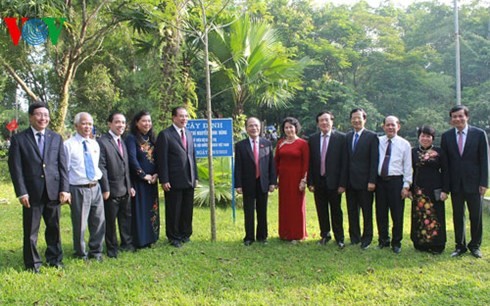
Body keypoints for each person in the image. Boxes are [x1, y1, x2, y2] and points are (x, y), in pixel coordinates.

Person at [8, 102, 70, 273]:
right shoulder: (19, 139)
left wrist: (65, 189)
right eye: (39, 114)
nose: (43, 118)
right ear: (30, 117)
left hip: (53, 192)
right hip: (32, 193)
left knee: (54, 228)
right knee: (30, 231)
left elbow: (63, 166)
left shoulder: (56, 138)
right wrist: (21, 192)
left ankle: (55, 259)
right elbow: (16, 169)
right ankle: (33, 264)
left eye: (46, 115)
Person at [441, 105, 489, 258]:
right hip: (456, 184)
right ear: (451, 119)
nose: (457, 119)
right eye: (454, 117)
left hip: (474, 183)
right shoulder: (446, 136)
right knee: (458, 215)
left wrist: (484, 183)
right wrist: (446, 187)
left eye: (460, 116)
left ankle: (475, 246)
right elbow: (445, 164)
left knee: (475, 215)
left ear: (467, 117)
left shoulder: (479, 134)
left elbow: (484, 160)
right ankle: (460, 245)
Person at [64, 112, 106, 261]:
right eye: (84, 123)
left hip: (95, 186)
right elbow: (65, 169)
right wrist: (66, 191)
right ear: (76, 126)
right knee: (80, 222)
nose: (87, 126)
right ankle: (80, 253)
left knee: (98, 220)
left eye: (90, 124)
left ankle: (96, 251)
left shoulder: (94, 144)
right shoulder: (68, 145)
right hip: (78, 188)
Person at [155, 106, 198, 248]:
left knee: (187, 209)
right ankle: (174, 236)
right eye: (181, 116)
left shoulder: (189, 134)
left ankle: (185, 234)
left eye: (186, 116)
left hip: (189, 178)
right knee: (174, 209)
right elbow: (162, 159)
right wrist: (164, 179)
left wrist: (195, 176)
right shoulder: (165, 135)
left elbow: (192, 156)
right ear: (174, 117)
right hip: (173, 180)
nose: (184, 119)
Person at [98, 112, 135, 258]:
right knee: (110, 222)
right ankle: (112, 248)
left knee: (126, 218)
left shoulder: (123, 141)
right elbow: (102, 166)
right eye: (117, 122)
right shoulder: (102, 141)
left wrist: (130, 186)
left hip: (125, 188)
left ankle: (126, 243)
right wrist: (105, 188)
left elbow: (126, 167)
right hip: (111, 190)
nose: (121, 125)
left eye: (123, 122)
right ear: (110, 124)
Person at [235, 117, 277, 246]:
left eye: (256, 126)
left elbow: (271, 165)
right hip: (248, 183)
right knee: (248, 211)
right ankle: (249, 237)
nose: (254, 128)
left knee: (262, 211)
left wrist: (272, 182)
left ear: (260, 128)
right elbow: (238, 167)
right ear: (247, 128)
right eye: (251, 126)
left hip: (263, 182)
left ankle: (262, 236)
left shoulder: (267, 144)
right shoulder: (241, 145)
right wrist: (238, 185)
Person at [307, 111, 347, 248]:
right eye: (321, 121)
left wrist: (343, 183)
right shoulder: (312, 139)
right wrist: (310, 182)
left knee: (336, 210)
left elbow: (344, 163)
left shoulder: (341, 138)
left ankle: (339, 237)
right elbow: (310, 163)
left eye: (326, 120)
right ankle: (325, 235)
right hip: (318, 181)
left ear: (332, 121)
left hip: (335, 183)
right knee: (321, 209)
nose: (324, 123)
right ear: (318, 123)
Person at [375, 115, 412, 254]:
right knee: (380, 212)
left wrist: (406, 186)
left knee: (397, 214)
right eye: (387, 125)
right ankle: (383, 240)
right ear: (383, 126)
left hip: (396, 182)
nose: (390, 127)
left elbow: (407, 167)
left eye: (393, 125)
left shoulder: (404, 144)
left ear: (398, 127)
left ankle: (396, 242)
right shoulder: (377, 141)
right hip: (380, 182)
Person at [125, 111, 160, 249]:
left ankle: (151, 237)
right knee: (140, 211)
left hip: (152, 181)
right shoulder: (131, 138)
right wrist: (143, 175)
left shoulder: (152, 138)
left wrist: (156, 174)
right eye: (144, 121)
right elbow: (132, 159)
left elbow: (158, 158)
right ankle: (140, 240)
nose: (147, 124)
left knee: (152, 209)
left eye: (149, 121)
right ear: (137, 123)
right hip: (139, 181)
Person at [345, 108, 379, 250]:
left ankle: (367, 238)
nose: (356, 120)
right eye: (353, 118)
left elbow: (374, 160)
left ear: (364, 119)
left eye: (359, 118)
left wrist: (372, 180)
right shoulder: (347, 137)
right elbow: (345, 160)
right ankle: (354, 237)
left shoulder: (372, 136)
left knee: (366, 211)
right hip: (350, 181)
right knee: (352, 210)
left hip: (366, 182)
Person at [410, 125, 447, 254]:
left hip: (435, 189)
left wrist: (445, 190)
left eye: (428, 136)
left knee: (436, 216)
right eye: (423, 136)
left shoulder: (440, 152)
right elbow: (410, 172)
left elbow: (446, 172)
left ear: (432, 138)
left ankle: (437, 245)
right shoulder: (413, 152)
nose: (425, 138)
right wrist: (409, 189)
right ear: (419, 137)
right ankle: (421, 243)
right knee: (420, 216)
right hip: (419, 190)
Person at [275, 117, 309, 242]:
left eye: (291, 127)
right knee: (284, 206)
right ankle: (284, 233)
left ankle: (297, 234)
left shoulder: (303, 144)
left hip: (296, 180)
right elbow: (276, 162)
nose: (288, 130)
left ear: (296, 128)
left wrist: (303, 180)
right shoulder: (280, 143)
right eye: (286, 127)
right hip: (284, 180)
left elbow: (306, 164)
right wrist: (275, 179)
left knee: (297, 206)